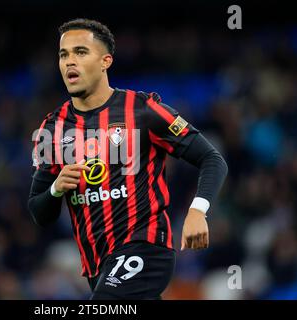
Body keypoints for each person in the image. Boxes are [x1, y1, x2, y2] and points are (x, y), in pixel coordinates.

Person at [28, 18, 228, 300]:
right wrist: (56, 188)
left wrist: (197, 210)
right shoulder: (53, 128)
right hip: (98, 266)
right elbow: (39, 212)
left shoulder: (143, 110)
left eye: (80, 52)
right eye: (64, 54)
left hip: (145, 247)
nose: (69, 61)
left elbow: (211, 158)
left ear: (105, 61)